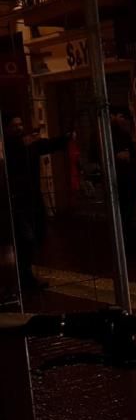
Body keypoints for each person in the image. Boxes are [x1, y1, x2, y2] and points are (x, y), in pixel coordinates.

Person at [3, 114, 73, 291]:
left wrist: (66, 137)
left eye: (20, 124)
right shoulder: (9, 147)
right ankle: (24, 277)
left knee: (36, 235)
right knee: (25, 238)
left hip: (32, 197)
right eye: (14, 126)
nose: (19, 128)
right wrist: (21, 145)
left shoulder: (29, 144)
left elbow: (46, 145)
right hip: (15, 199)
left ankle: (25, 273)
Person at [110, 107, 136, 252]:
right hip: (120, 178)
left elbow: (134, 154)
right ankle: (124, 243)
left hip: (130, 177)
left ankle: (128, 241)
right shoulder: (110, 134)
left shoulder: (126, 134)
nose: (124, 120)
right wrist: (117, 157)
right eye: (121, 117)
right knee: (123, 211)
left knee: (128, 210)